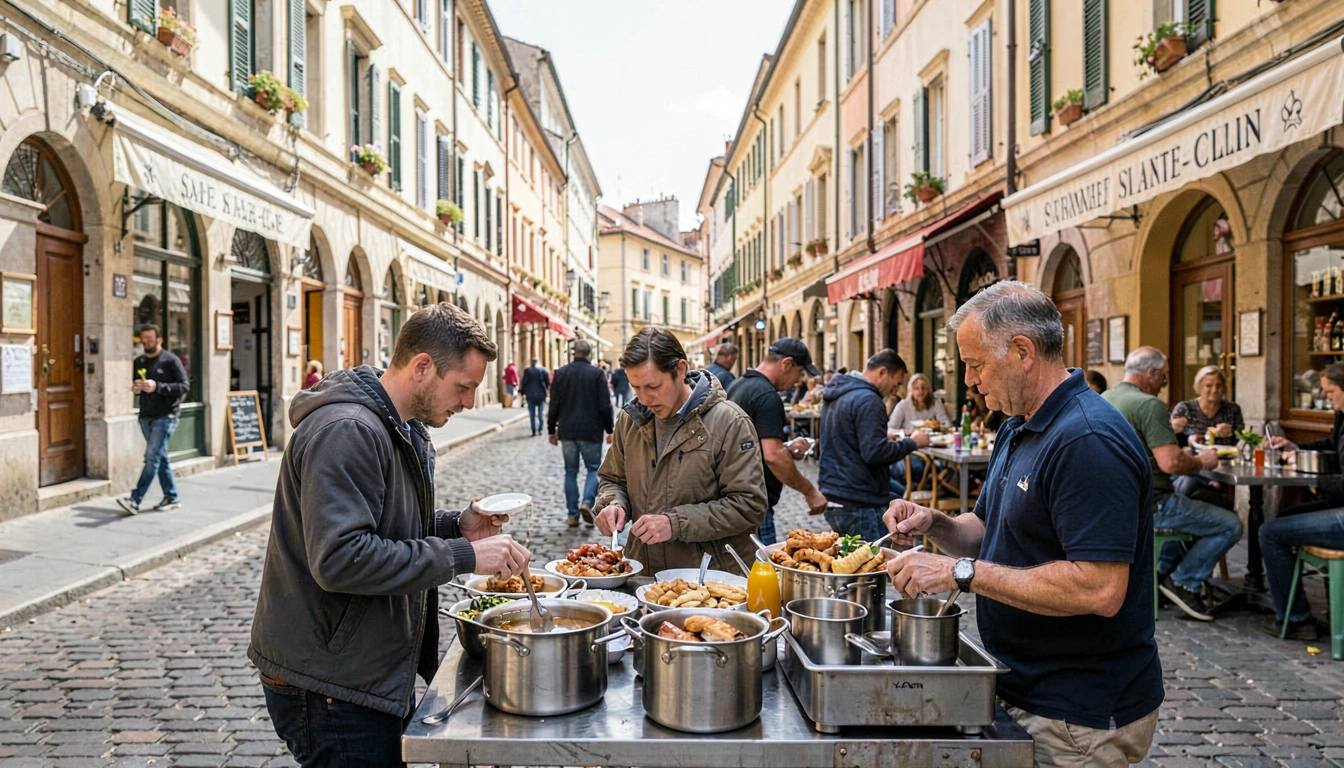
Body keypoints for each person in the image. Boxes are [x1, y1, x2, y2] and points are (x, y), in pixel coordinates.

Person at [885, 281, 1162, 767]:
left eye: (975, 364)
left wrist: (959, 573)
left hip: (1077, 710)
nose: (969, 380)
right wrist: (937, 524)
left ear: (1022, 351)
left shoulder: (1087, 439)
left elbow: (1100, 589)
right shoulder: (1018, 423)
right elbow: (988, 527)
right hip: (1023, 683)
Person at [249, 302, 531, 767]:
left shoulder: (398, 425)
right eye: (463, 387)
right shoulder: (349, 430)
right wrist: (462, 555)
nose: (469, 403)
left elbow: (385, 527)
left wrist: (453, 526)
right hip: (331, 685)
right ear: (422, 367)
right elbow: (341, 558)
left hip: (362, 672)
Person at [594, 328, 766, 574]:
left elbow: (749, 505)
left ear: (681, 370)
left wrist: (674, 523)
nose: (644, 399)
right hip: (646, 575)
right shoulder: (630, 420)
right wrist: (613, 504)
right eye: (636, 387)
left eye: (653, 386)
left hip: (711, 581)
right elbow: (613, 480)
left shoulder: (730, 422)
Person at [1103, 347, 1238, 622]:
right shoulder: (1148, 405)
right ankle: (1183, 580)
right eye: (1163, 377)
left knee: (1199, 509)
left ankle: (1162, 576)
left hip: (1119, 502)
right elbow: (1170, 464)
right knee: (1231, 525)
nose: (1164, 383)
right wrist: (1201, 461)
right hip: (1154, 502)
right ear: (1150, 373)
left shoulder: (1107, 398)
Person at [1259, 361, 1344, 641]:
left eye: (1330, 392)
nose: (1326, 397)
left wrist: (1310, 478)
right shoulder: (1341, 414)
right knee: (1281, 521)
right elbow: (1330, 446)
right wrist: (1296, 447)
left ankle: (1296, 619)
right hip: (1337, 502)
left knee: (1269, 533)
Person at [818, 349, 929, 541]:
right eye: (897, 383)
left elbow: (848, 436)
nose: (895, 390)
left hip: (835, 494)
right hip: (858, 499)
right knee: (873, 566)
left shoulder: (842, 392)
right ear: (883, 372)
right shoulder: (869, 399)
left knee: (849, 566)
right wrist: (912, 443)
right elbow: (875, 453)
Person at [727, 338, 827, 545]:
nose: (798, 381)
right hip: (755, 504)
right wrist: (810, 491)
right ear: (787, 364)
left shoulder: (738, 384)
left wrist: (786, 448)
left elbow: (749, 445)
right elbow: (772, 456)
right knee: (766, 571)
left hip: (734, 499)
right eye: (799, 372)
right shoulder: (766, 395)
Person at [117, 325, 191, 515]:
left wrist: (158, 386)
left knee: (151, 457)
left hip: (166, 416)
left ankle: (135, 500)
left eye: (150, 338)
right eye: (144, 338)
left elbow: (184, 386)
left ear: (159, 340)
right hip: (146, 416)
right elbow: (136, 383)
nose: (146, 342)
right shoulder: (139, 361)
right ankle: (172, 497)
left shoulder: (170, 360)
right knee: (160, 458)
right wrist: (136, 387)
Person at [547, 340, 615, 527]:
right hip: (591, 430)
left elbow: (554, 404)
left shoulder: (561, 373)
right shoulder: (597, 374)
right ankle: (587, 502)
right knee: (593, 469)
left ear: (573, 352)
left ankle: (572, 514)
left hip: (567, 430)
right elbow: (605, 405)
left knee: (570, 471)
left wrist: (551, 429)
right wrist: (610, 429)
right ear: (589, 354)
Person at [1169, 365, 1244, 508]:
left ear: (1224, 387)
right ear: (1199, 387)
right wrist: (1189, 439)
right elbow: (1171, 441)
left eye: (1218, 385)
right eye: (1208, 386)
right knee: (1197, 488)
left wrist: (1232, 432)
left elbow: (1241, 442)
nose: (1214, 390)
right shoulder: (1185, 408)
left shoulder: (1232, 410)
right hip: (1192, 467)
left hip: (1224, 467)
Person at [520, 356, 550, 436]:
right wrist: (546, 390)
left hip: (530, 395)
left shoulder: (528, 371)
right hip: (541, 395)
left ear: (531, 362)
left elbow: (524, 382)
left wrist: (522, 392)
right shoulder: (544, 370)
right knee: (541, 413)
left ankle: (534, 430)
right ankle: (540, 428)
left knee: (532, 414)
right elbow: (547, 383)